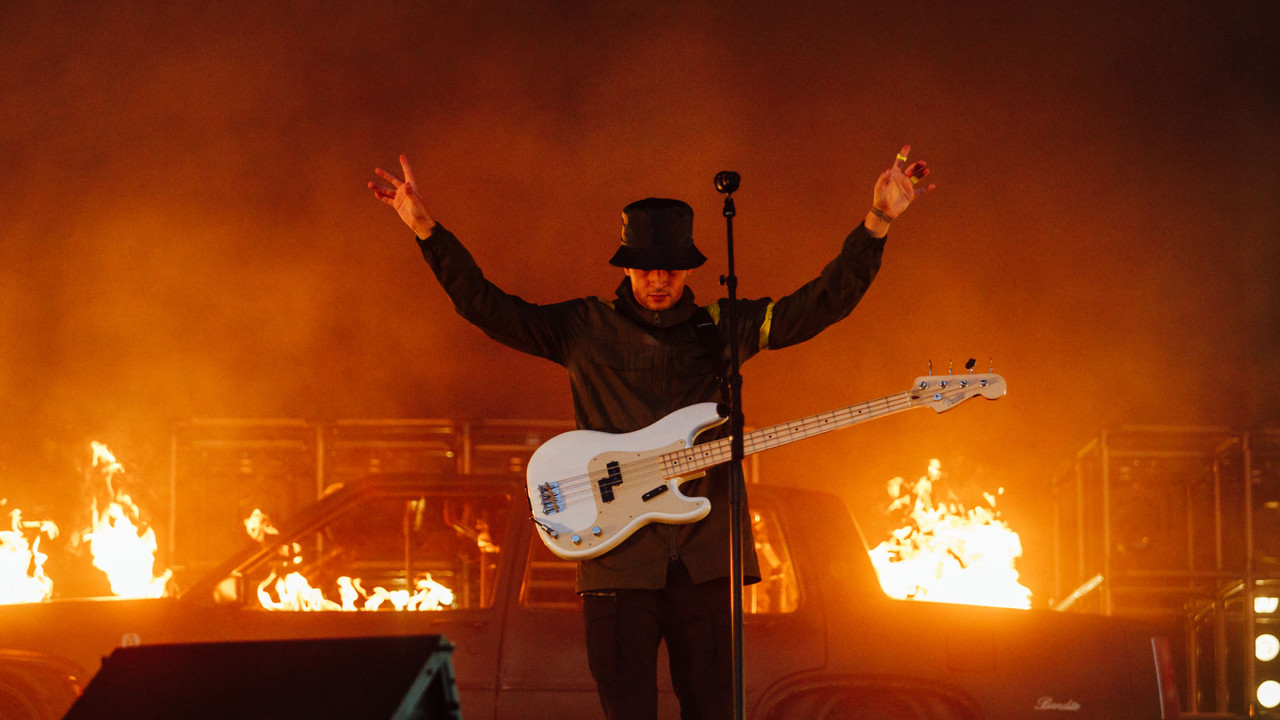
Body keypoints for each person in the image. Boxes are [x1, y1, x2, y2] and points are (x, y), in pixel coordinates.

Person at [368, 148, 934, 720]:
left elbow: (817, 305)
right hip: (616, 560)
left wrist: (876, 224)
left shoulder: (723, 327)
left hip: (706, 563)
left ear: (689, 268)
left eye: (671, 267)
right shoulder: (584, 327)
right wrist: (425, 230)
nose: (658, 280)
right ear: (625, 266)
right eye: (645, 267)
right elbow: (485, 305)